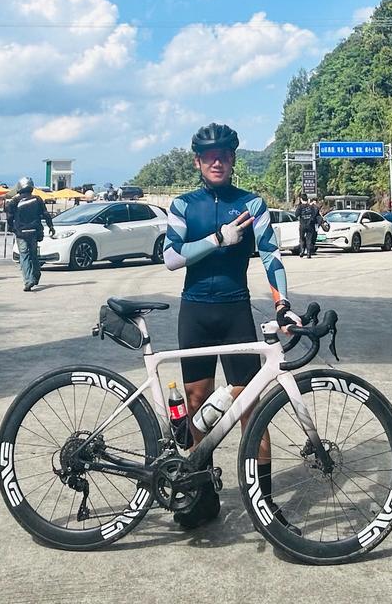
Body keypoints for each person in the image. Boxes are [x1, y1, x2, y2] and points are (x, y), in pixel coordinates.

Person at [164, 122, 295, 531]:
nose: (217, 161)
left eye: (224, 154)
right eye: (209, 156)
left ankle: (265, 507)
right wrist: (218, 239)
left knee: (250, 410)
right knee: (197, 404)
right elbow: (171, 257)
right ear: (198, 161)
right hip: (196, 312)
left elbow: (271, 258)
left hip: (236, 311)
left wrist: (283, 304)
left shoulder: (252, 204)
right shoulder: (183, 204)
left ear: (234, 159)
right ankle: (202, 497)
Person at [5, 176, 54, 291]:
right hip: (34, 232)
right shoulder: (37, 199)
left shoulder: (15, 201)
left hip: (21, 232)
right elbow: (46, 214)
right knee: (33, 254)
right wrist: (51, 226)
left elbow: (9, 217)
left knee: (24, 255)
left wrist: (10, 227)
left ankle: (28, 280)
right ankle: (36, 274)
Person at [292, 192, 321, 258]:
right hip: (310, 225)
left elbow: (296, 215)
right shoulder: (311, 207)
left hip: (302, 225)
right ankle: (308, 253)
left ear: (301, 199)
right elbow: (314, 215)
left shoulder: (300, 207)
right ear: (307, 199)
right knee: (309, 239)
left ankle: (302, 251)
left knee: (302, 238)